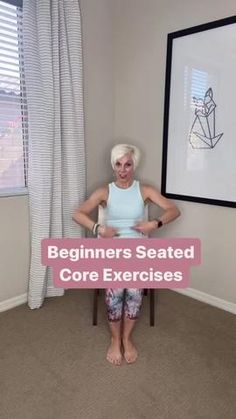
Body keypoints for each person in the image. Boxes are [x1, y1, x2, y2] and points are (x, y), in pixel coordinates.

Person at [73, 144, 180, 366]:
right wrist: (98, 229)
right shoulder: (105, 191)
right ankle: (114, 339)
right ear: (113, 166)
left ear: (134, 166)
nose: (123, 170)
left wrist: (155, 223)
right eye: (118, 165)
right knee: (115, 297)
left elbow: (173, 210)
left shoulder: (145, 191)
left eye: (128, 164)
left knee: (133, 295)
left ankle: (126, 338)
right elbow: (78, 213)